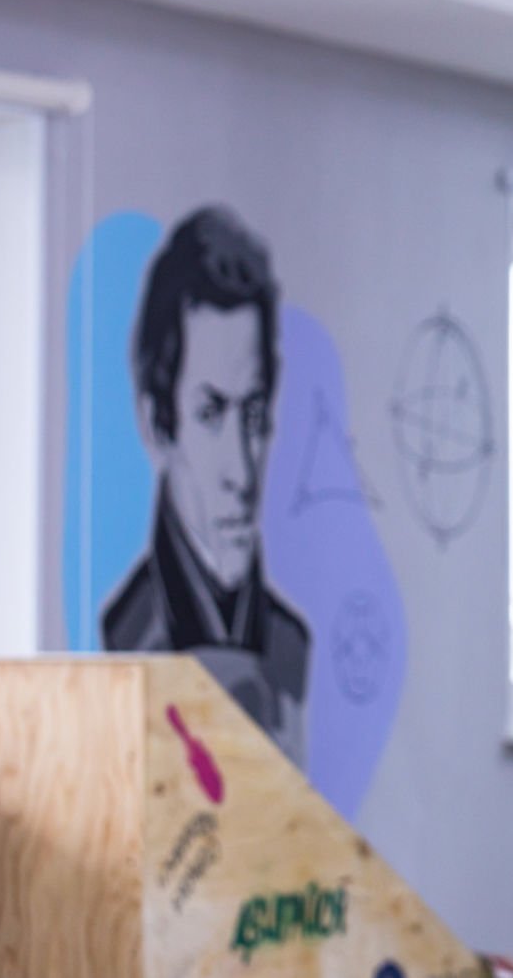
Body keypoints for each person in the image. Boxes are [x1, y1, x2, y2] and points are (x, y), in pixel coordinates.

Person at [101, 205, 310, 767]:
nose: (242, 470)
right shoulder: (125, 634)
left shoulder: (290, 643)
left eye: (254, 414)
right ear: (157, 425)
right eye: (211, 413)